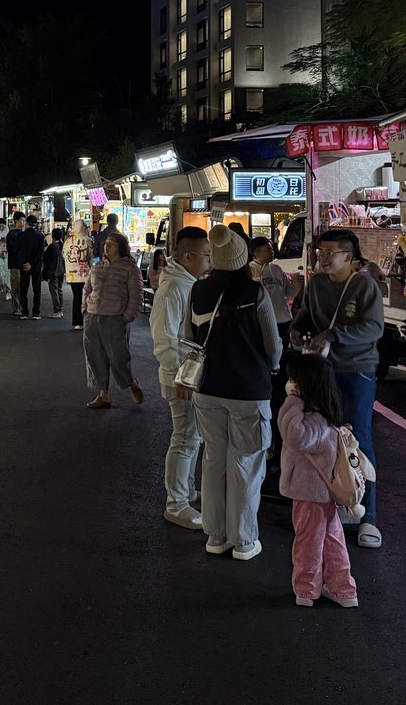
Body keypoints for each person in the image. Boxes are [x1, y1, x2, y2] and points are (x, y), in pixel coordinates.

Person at [181, 225, 280, 560]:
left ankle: (215, 535)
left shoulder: (198, 289)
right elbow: (273, 346)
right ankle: (243, 540)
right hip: (248, 391)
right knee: (245, 463)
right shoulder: (255, 292)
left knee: (213, 459)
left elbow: (188, 336)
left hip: (207, 387)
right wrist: (271, 368)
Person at [291, 228, 385, 550]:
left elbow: (374, 328)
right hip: (321, 370)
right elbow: (304, 315)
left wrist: (333, 335)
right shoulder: (316, 283)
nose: (324, 258)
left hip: (356, 370)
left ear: (350, 256)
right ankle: (334, 505)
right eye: (321, 253)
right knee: (322, 437)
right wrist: (298, 330)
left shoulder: (364, 285)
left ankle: (368, 514)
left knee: (359, 438)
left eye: (331, 253)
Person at [279, 354, 359, 608]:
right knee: (332, 541)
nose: (290, 383)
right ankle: (343, 590)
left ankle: (306, 590)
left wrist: (292, 401)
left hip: (310, 494)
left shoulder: (312, 420)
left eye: (294, 379)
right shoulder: (326, 415)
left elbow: (294, 437)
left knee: (308, 542)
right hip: (324, 495)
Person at [150, 226, 212, 529]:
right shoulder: (174, 287)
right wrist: (181, 377)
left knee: (192, 437)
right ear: (188, 256)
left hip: (187, 375)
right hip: (180, 377)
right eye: (205, 255)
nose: (209, 260)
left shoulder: (185, 283)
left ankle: (186, 492)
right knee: (185, 438)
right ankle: (176, 503)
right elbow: (165, 339)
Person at [82, 232, 145, 408]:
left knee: (119, 357)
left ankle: (131, 383)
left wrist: (127, 317)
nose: (106, 246)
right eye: (106, 243)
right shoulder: (97, 266)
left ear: (121, 247)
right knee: (95, 356)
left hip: (115, 319)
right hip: (92, 317)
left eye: (111, 244)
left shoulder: (130, 268)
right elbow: (87, 288)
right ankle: (103, 394)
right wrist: (85, 310)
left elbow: (136, 295)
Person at [252, 235, 296, 474]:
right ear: (256, 252)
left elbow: (289, 291)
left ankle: (277, 377)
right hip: (263, 323)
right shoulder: (250, 271)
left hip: (282, 319)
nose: (271, 251)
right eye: (266, 249)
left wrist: (297, 285)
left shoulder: (277, 269)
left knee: (281, 356)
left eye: (271, 248)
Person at [64, 220, 94, 330]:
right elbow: (92, 257)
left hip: (72, 275)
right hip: (85, 274)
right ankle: (86, 320)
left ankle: (77, 322)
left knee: (77, 297)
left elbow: (64, 255)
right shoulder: (88, 241)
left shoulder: (68, 241)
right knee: (87, 298)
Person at [17, 214, 46, 319]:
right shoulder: (40, 236)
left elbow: (18, 250)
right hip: (36, 265)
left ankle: (24, 312)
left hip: (24, 265)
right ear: (35, 224)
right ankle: (36, 313)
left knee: (23, 289)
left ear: (27, 223)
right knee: (36, 290)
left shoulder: (20, 236)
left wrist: (26, 263)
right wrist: (32, 263)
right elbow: (41, 252)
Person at [43, 227, 66, 318]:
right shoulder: (62, 245)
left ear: (53, 236)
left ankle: (57, 310)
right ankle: (61, 310)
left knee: (54, 291)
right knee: (59, 290)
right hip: (61, 270)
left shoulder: (52, 246)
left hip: (53, 271)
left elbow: (45, 258)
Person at [6, 213, 26, 315]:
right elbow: (12, 249)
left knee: (22, 286)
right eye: (22, 220)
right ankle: (17, 308)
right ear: (16, 221)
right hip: (15, 263)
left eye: (24, 220)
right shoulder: (12, 234)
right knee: (16, 286)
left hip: (23, 264)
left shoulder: (24, 233)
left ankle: (21, 307)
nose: (24, 222)